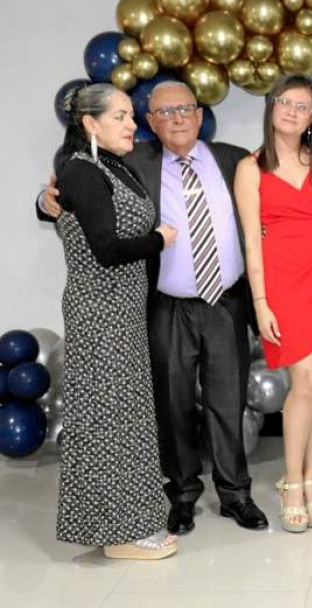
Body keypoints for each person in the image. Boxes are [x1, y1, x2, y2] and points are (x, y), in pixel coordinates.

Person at [41, 81, 268, 534]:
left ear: (201, 116)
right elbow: (76, 191)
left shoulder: (234, 159)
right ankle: (181, 492)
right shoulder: (131, 163)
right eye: (165, 112)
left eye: (186, 109)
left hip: (226, 299)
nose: (178, 118)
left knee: (228, 400)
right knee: (172, 402)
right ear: (151, 123)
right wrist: (45, 204)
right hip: (165, 305)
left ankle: (234, 493)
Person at [53, 83, 178, 559]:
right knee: (108, 421)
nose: (132, 125)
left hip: (123, 311)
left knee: (127, 419)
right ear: (90, 123)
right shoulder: (82, 170)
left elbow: (75, 215)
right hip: (98, 313)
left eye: (131, 116)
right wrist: (159, 241)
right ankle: (120, 534)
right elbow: (106, 249)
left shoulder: (110, 166)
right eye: (122, 117)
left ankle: (129, 523)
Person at [234, 75, 312, 532]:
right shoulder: (250, 167)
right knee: (303, 381)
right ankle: (291, 482)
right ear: (271, 107)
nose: (293, 111)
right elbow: (250, 242)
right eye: (285, 102)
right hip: (283, 284)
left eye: (303, 106)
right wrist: (260, 302)